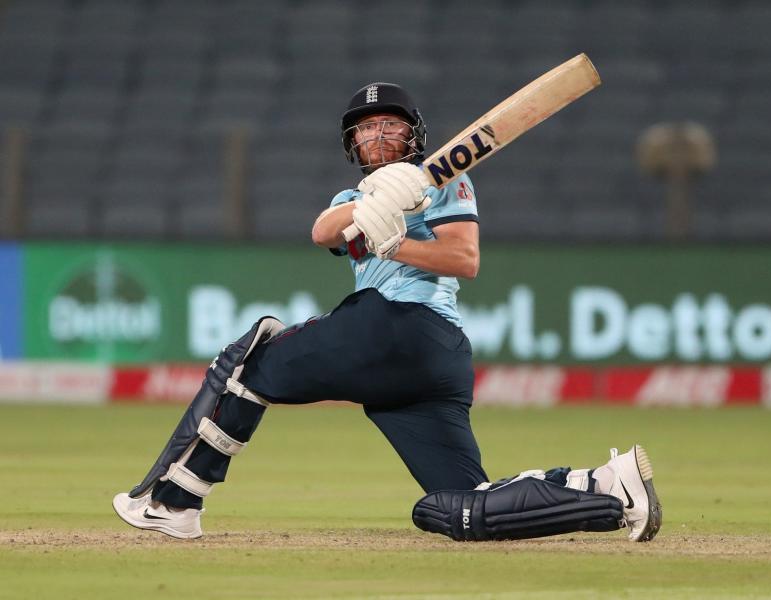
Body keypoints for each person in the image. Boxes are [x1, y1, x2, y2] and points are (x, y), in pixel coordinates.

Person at [112, 82, 662, 543]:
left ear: (413, 132)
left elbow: (464, 260)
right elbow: (322, 232)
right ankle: (605, 488)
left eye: (390, 125)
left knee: (250, 368)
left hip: (403, 324)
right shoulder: (351, 196)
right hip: (424, 366)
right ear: (352, 142)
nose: (377, 135)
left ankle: (175, 503)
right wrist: (372, 205)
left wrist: (396, 240)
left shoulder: (444, 181)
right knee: (456, 506)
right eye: (366, 128)